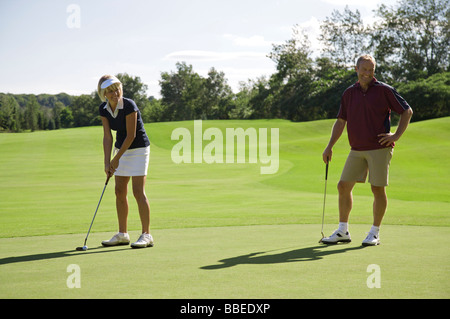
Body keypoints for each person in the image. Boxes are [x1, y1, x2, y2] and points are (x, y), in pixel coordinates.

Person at [322, 55, 413, 246]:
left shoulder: (384, 90)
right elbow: (340, 122)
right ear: (356, 69)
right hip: (357, 148)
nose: (367, 73)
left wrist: (395, 135)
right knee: (343, 186)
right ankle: (342, 231)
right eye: (364, 70)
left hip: (380, 148)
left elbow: (407, 111)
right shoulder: (349, 93)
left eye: (371, 70)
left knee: (377, 189)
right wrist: (330, 146)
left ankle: (374, 232)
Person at [97, 75, 154, 248]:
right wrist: (107, 163)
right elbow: (107, 137)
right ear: (104, 94)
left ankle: (147, 235)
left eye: (117, 89)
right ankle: (123, 234)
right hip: (120, 148)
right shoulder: (104, 109)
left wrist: (116, 159)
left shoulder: (129, 105)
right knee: (119, 191)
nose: (115, 93)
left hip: (138, 149)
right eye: (110, 91)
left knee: (138, 191)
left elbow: (131, 135)